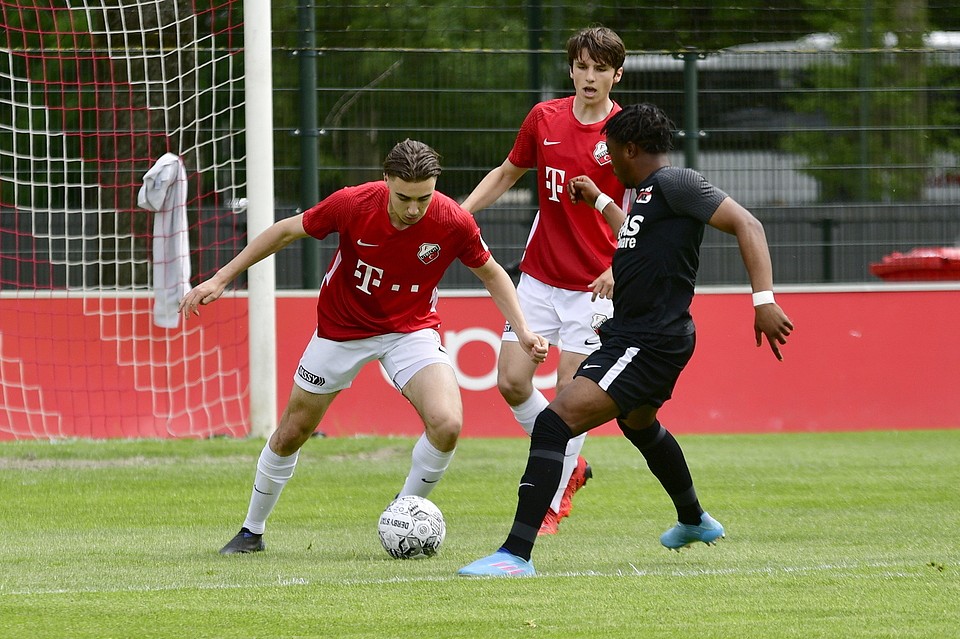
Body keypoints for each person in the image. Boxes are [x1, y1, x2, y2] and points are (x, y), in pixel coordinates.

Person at [458, 103, 795, 577]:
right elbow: (634, 238)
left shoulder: (678, 183)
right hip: (642, 336)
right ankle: (694, 520)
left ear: (630, 149)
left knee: (554, 424)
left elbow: (748, 224)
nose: (607, 161)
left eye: (611, 151)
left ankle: (515, 554)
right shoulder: (650, 194)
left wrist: (763, 300)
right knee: (639, 424)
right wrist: (599, 200)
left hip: (646, 342)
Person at [179, 139, 548, 555]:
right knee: (291, 433)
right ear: (386, 180)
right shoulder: (353, 204)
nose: (414, 209)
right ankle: (252, 531)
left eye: (424, 198)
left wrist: (522, 329)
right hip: (341, 329)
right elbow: (285, 232)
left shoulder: (453, 220)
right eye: (404, 198)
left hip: (410, 330)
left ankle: (403, 513)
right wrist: (221, 278)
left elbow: (493, 274)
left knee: (447, 424)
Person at [460, 25, 630, 535]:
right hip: (537, 278)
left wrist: (617, 266)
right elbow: (507, 173)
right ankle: (569, 462)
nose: (590, 77)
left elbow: (639, 209)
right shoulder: (544, 118)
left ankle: (551, 504)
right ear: (571, 70)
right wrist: (459, 217)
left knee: (569, 401)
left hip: (594, 288)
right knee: (511, 381)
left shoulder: (626, 133)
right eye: (582, 66)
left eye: (601, 69)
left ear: (617, 75)